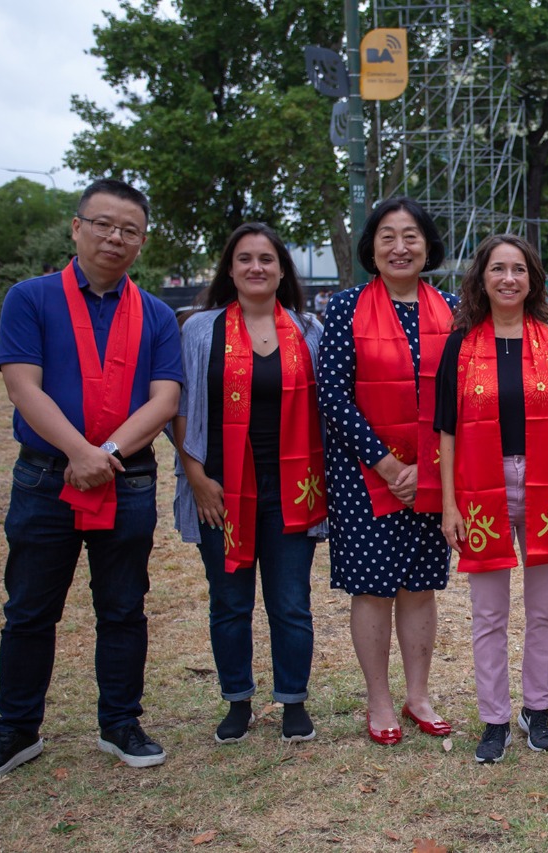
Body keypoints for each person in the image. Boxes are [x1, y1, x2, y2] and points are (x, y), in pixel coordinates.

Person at [0, 179, 182, 787]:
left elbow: (164, 400)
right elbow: (22, 386)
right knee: (29, 609)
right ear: (77, 227)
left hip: (128, 478)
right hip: (44, 479)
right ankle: (15, 730)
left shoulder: (157, 314)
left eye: (130, 230)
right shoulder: (30, 299)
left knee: (123, 608)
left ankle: (120, 722)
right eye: (105, 224)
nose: (116, 238)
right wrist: (78, 451)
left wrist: (104, 453)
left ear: (141, 241)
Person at [435, 234, 548, 763]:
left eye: (518, 269)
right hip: (482, 485)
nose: (508, 278)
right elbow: (446, 431)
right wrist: (450, 504)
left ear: (532, 279)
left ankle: (538, 710)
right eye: (497, 269)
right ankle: (494, 718)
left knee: (544, 610)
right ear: (481, 278)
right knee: (488, 613)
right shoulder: (460, 345)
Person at [172, 223, 327, 745]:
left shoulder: (309, 330)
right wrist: (195, 477)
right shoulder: (200, 329)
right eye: (244, 259)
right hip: (221, 489)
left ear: (283, 270)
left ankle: (293, 701)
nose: (256, 268)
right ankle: (237, 699)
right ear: (230, 269)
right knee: (230, 601)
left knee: (290, 601)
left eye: (266, 259)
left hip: (292, 489)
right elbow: (180, 406)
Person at [318, 197, 457, 746]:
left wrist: (423, 467)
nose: (400, 247)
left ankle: (418, 693)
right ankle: (379, 699)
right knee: (373, 589)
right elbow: (333, 393)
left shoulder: (452, 308)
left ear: (428, 246)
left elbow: (461, 397)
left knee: (421, 586)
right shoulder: (346, 306)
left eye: (411, 236)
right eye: (387, 237)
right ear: (370, 248)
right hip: (363, 473)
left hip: (433, 471)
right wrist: (387, 462)